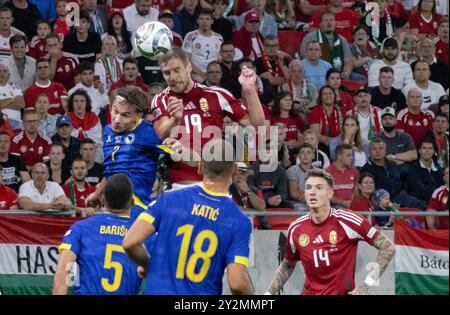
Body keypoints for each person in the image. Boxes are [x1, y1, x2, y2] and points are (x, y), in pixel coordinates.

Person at [122, 139, 254, 295]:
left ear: (199, 168)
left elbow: (130, 242)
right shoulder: (239, 220)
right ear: (234, 169)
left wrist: (148, 265)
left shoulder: (167, 199)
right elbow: (237, 283)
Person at [265, 169, 396, 295]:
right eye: (308, 187)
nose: (312, 192)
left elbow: (388, 247)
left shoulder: (347, 220)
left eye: (319, 188)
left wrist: (368, 285)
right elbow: (287, 265)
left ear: (330, 193)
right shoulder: (296, 228)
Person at [151, 48, 265, 188]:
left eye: (176, 70)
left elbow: (256, 125)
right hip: (179, 182)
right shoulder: (161, 99)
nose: (172, 77)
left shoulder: (216, 94)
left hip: (216, 179)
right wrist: (176, 120)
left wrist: (249, 90)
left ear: (188, 67)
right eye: (167, 73)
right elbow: (162, 135)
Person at [86, 86, 173, 219]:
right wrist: (97, 193)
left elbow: (177, 153)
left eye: (125, 115)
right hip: (111, 203)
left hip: (136, 206)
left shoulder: (147, 132)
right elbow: (111, 169)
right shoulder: (108, 131)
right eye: (115, 111)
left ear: (138, 116)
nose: (117, 119)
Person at [53, 173, 142, 295]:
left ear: (103, 199)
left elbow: (63, 272)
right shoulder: (143, 233)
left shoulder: (80, 228)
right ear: (132, 202)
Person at [360, 137, 427, 210]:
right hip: (381, 204)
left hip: (400, 198)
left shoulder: (393, 164)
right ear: (369, 151)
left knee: (422, 205)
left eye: (381, 148)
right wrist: (389, 204)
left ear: (386, 150)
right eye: (374, 149)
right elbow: (368, 194)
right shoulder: (366, 169)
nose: (378, 151)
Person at [300, 10, 354, 78]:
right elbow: (304, 56)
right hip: (317, 73)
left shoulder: (342, 40)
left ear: (335, 23)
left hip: (338, 75)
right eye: (326, 20)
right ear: (320, 24)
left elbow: (348, 61)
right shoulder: (310, 38)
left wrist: (346, 72)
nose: (329, 23)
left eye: (331, 20)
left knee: (360, 78)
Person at [182, 8, 224, 82]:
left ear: (212, 21)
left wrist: (212, 74)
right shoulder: (191, 36)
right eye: (201, 19)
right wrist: (203, 75)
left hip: (214, 75)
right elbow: (186, 60)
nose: (204, 21)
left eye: (207, 19)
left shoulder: (219, 38)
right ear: (197, 20)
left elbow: (220, 59)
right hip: (196, 75)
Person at [248, 139, 291, 208]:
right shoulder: (252, 169)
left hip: (276, 203)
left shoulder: (281, 171)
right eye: (267, 148)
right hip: (257, 204)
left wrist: (279, 199)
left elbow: (284, 193)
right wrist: (267, 200)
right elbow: (250, 191)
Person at [307, 85, 348, 156]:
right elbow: (315, 133)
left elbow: (345, 130)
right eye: (325, 94)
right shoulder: (315, 112)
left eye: (330, 93)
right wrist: (327, 141)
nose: (328, 96)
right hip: (321, 144)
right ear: (321, 97)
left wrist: (334, 141)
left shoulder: (342, 110)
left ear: (334, 96)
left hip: (339, 143)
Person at [378, 107, 417, 178]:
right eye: (385, 119)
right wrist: (402, 160)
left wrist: (393, 156)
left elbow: (413, 155)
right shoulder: (377, 139)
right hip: (387, 173)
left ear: (396, 121)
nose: (388, 121)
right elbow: (379, 159)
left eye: (390, 118)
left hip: (407, 173)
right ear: (381, 121)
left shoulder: (405, 136)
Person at [407, 139, 444, 203]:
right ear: (419, 151)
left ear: (433, 151)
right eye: (424, 148)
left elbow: (441, 189)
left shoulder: (439, 169)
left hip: (437, 204)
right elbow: (419, 190)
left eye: (430, 148)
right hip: (420, 204)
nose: (427, 151)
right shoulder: (412, 168)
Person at [326, 143, 359, 207]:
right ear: (339, 156)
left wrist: (350, 202)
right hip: (334, 207)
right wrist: (343, 202)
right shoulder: (328, 172)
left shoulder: (355, 172)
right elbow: (326, 195)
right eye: (348, 155)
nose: (352, 158)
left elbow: (355, 191)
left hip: (351, 205)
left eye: (352, 155)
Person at [0, 63, 24, 129]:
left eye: (5, 71)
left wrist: (2, 104)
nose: (2, 73)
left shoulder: (15, 87)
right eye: (0, 71)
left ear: (9, 75)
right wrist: (12, 99)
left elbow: (21, 104)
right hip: (1, 123)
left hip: (17, 124)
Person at [426, 166, 448, 230]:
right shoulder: (438, 192)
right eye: (448, 173)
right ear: (444, 178)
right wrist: (435, 232)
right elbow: (430, 213)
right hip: (444, 232)